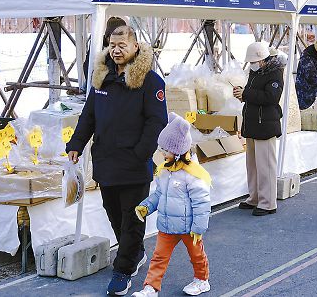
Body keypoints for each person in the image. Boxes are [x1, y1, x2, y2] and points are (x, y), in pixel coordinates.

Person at [66, 26, 166, 296]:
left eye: (122, 45)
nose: (116, 50)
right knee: (114, 213)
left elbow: (157, 121)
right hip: (106, 161)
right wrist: (76, 144)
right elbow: (89, 116)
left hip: (135, 164)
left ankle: (123, 270)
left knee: (132, 219)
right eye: (112, 45)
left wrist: (141, 154)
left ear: (135, 46)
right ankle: (135, 253)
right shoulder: (102, 78)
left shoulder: (151, 81)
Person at [134, 114, 212, 297]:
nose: (162, 153)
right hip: (167, 225)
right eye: (161, 149)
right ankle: (151, 287)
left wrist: (199, 227)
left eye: (165, 150)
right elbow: (159, 194)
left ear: (178, 152)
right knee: (159, 257)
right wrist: (147, 206)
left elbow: (201, 202)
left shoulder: (193, 174)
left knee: (197, 255)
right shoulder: (164, 170)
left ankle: (202, 280)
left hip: (189, 228)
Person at [233, 42, 284, 216]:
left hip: (265, 126)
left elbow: (271, 97)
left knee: (265, 166)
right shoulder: (255, 72)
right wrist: (242, 94)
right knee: (253, 166)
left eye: (254, 61)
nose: (252, 64)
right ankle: (254, 197)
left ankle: (268, 203)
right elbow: (254, 94)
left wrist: (246, 94)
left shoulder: (275, 73)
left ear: (262, 59)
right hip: (253, 124)